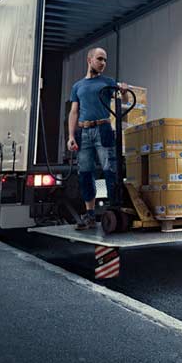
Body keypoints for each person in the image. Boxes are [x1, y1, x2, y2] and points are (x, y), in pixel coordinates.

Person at [67, 47, 128, 230]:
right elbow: (74, 112)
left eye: (105, 60)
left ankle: (114, 211)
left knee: (110, 170)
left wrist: (124, 91)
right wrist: (71, 136)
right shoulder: (78, 86)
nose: (103, 63)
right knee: (85, 173)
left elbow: (123, 101)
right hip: (84, 132)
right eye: (99, 59)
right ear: (89, 60)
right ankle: (90, 215)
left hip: (103, 128)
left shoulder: (108, 83)